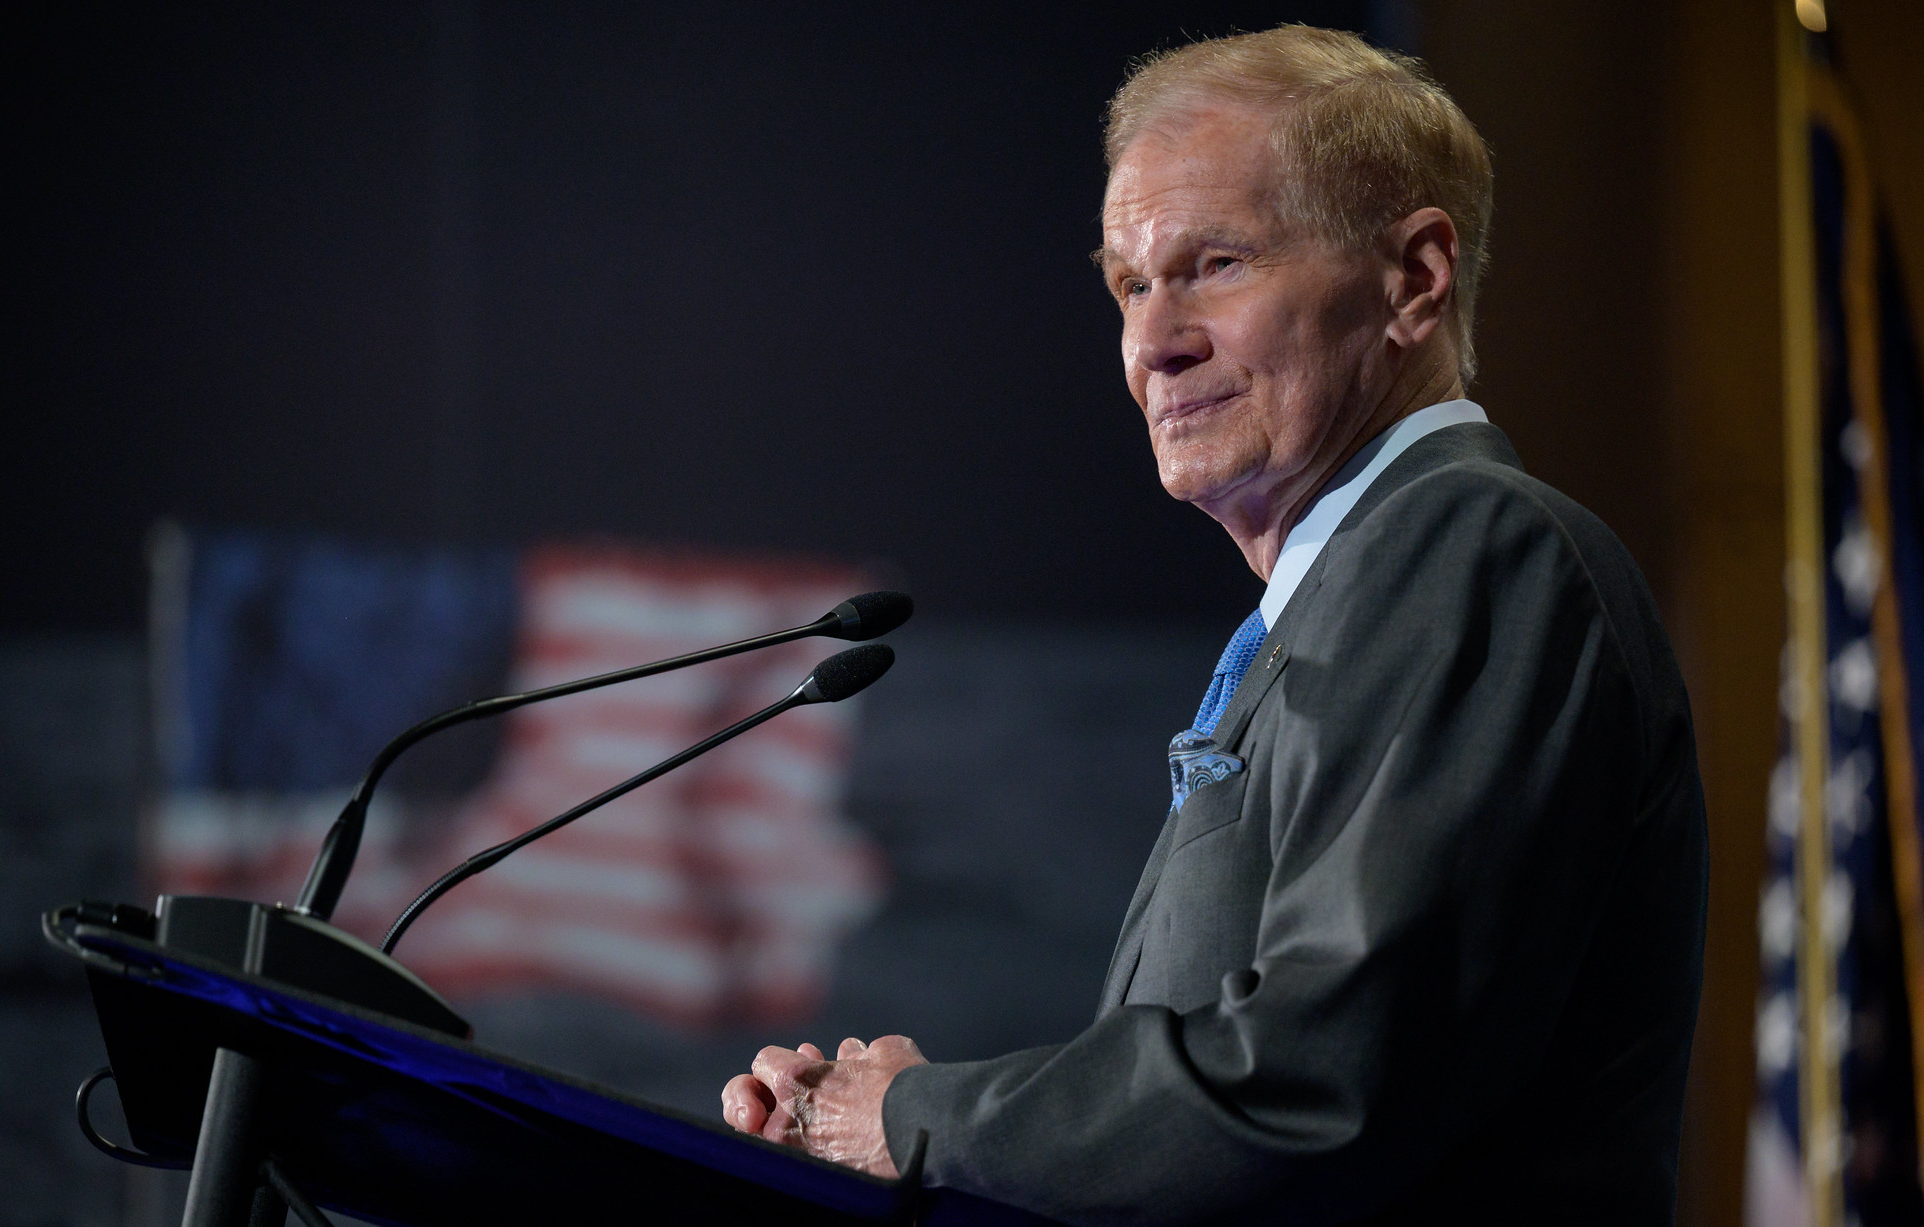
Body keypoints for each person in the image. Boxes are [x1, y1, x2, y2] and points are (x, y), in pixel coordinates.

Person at [721, 26, 1707, 1224]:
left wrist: (918, 1120)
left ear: (1414, 281)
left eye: (1218, 264)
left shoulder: (1469, 551)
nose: (1150, 343)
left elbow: (1314, 1084)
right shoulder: (1339, 599)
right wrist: (881, 1137)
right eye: (1131, 284)